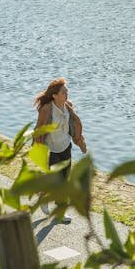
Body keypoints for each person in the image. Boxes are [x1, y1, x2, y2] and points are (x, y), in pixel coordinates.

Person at [34, 78, 87, 222]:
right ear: (54, 95)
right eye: (64, 92)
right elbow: (39, 130)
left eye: (67, 92)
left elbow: (74, 124)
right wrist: (39, 151)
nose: (67, 94)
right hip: (51, 149)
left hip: (65, 147)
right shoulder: (46, 110)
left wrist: (80, 142)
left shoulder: (68, 106)